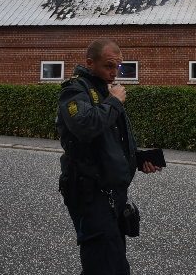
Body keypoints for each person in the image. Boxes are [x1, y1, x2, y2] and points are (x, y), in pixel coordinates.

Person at [57, 39, 160, 275]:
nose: (114, 73)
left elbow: (110, 143)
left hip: (113, 194)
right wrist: (114, 102)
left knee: (109, 262)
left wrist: (138, 159)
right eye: (108, 66)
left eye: (118, 67)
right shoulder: (75, 91)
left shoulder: (105, 90)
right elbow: (85, 126)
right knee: (106, 264)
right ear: (90, 63)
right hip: (90, 194)